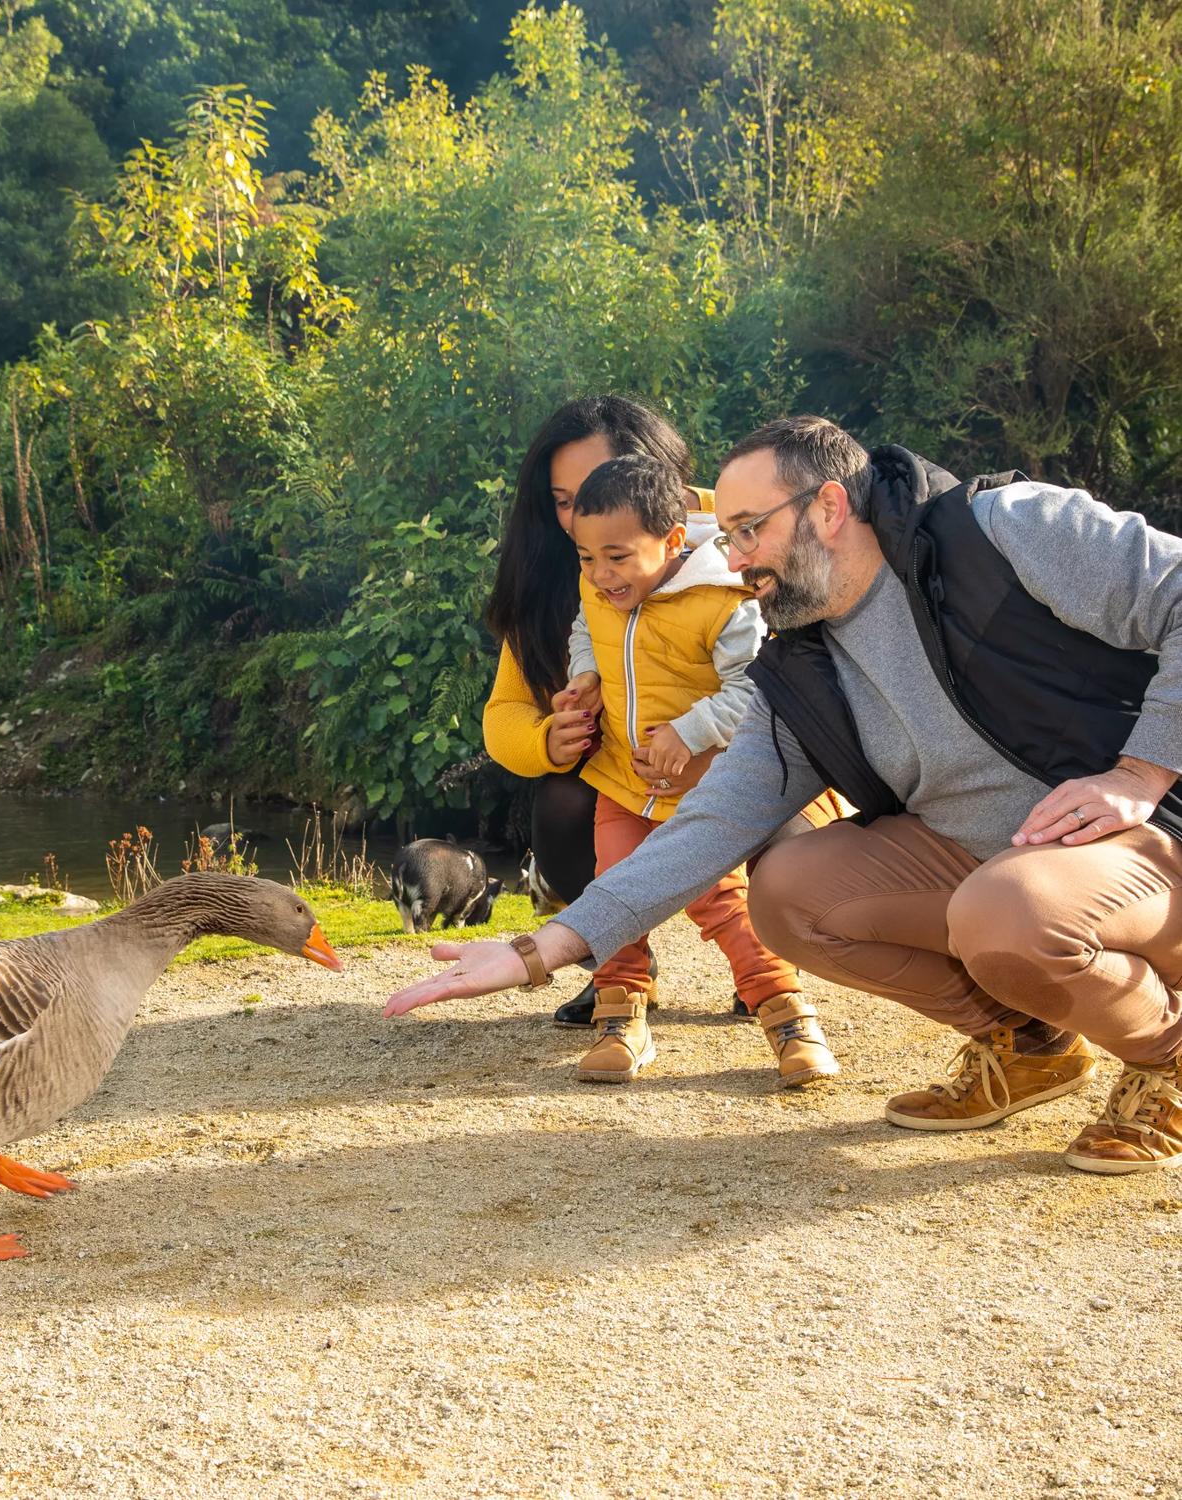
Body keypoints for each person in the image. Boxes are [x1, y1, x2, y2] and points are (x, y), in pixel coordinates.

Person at [389, 415, 1182, 1177]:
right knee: (789, 894)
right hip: (1003, 866)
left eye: (746, 530)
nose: (733, 562)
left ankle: (1165, 1057)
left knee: (1003, 911)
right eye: (727, 536)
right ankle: (1029, 1044)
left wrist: (1141, 770)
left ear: (828, 508)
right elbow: (708, 826)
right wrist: (540, 950)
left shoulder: (1004, 528)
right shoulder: (801, 670)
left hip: (1149, 839)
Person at [560, 452, 837, 1085]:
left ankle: (785, 1012)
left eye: (618, 557)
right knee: (614, 887)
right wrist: (584, 676)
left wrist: (688, 734)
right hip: (623, 781)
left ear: (674, 540)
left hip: (702, 786)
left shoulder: (723, 599)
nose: (601, 575)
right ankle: (619, 1010)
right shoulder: (596, 591)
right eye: (587, 559)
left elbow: (752, 689)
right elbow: (587, 629)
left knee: (721, 899)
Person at [481, 395, 697, 1026]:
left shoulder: (727, 538)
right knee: (563, 801)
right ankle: (620, 968)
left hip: (724, 765)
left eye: (597, 489)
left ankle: (766, 968)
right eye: (563, 499)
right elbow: (504, 714)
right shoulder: (552, 576)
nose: (577, 519)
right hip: (618, 783)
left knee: (773, 813)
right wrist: (550, 739)